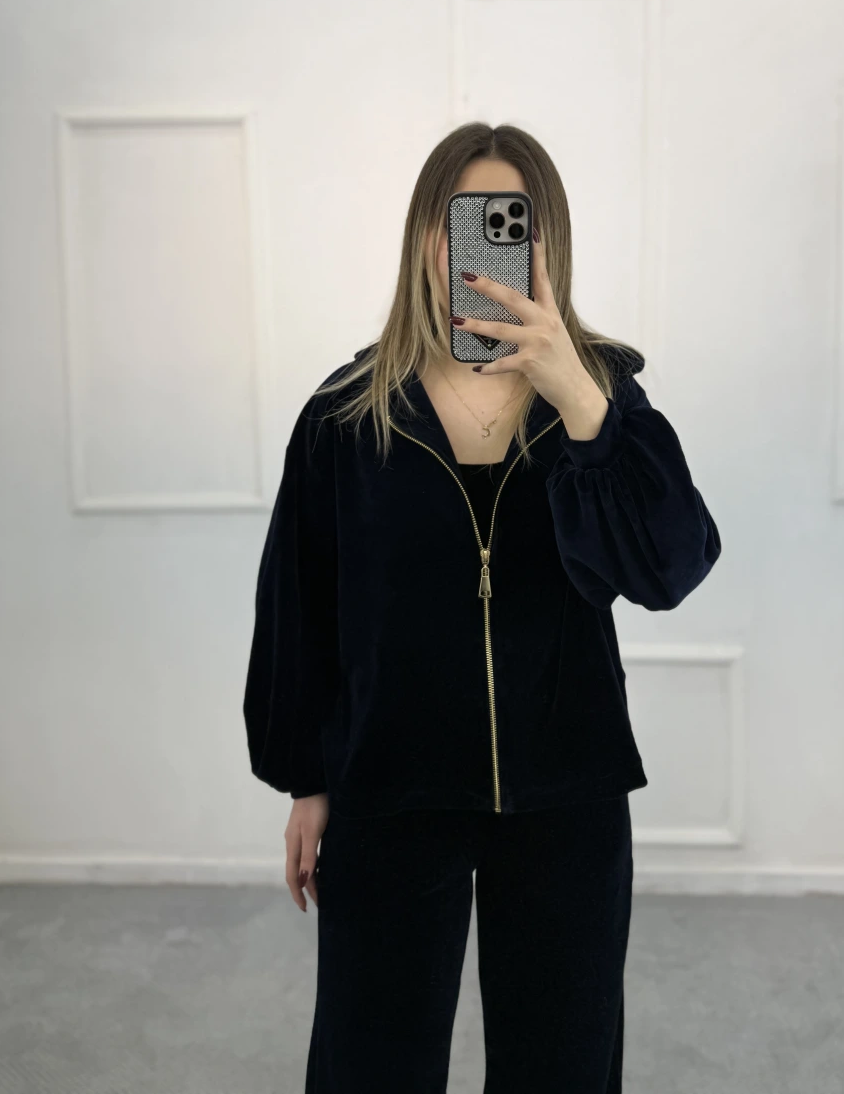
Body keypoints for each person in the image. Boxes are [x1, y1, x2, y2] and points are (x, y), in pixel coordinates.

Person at [242, 121, 722, 1093]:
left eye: (510, 222)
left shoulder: (601, 400)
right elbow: (302, 610)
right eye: (463, 220)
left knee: (564, 1067)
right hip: (391, 788)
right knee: (370, 1065)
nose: (484, 244)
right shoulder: (347, 415)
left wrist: (578, 400)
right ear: (428, 236)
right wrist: (305, 780)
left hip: (567, 790)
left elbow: (671, 565)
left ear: (546, 243)